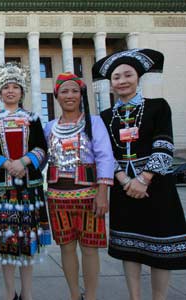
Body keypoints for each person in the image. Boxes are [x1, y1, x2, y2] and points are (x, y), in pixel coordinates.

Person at [93, 48, 186, 300]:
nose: (122, 81)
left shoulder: (157, 107)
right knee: (129, 247)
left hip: (156, 186)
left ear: (138, 77)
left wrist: (144, 179)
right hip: (124, 188)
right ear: (110, 83)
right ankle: (135, 297)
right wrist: (124, 180)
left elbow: (164, 144)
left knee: (160, 249)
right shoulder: (104, 116)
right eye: (116, 77)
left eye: (127, 75)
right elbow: (104, 154)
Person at [0, 62, 49, 300]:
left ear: (22, 92)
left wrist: (24, 162)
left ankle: (27, 294)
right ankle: (9, 293)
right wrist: (8, 164)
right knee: (6, 242)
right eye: (6, 87)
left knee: (27, 243)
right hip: (2, 190)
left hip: (29, 189)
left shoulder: (33, 118)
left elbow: (42, 147)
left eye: (15, 87)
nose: (10, 91)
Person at [44, 73, 114, 300]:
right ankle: (74, 294)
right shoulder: (49, 127)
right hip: (57, 196)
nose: (69, 95)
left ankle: (91, 295)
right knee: (66, 247)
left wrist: (103, 193)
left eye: (74, 90)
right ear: (56, 96)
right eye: (64, 91)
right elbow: (41, 158)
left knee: (90, 248)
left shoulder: (94, 123)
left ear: (81, 94)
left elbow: (105, 157)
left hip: (89, 195)